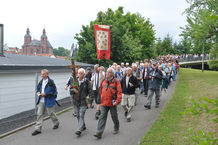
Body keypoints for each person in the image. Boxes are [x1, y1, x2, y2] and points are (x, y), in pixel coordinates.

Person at [93, 67, 122, 139]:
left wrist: (117, 101)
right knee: (102, 117)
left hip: (112, 103)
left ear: (112, 73)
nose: (107, 73)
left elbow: (119, 92)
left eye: (109, 72)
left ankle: (116, 128)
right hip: (104, 103)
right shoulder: (103, 80)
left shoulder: (116, 81)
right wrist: (100, 100)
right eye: (107, 72)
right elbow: (100, 90)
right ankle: (99, 132)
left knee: (114, 116)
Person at [32, 69, 59, 136]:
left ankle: (56, 123)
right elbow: (38, 88)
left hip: (49, 100)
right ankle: (38, 129)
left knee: (51, 113)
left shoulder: (51, 82)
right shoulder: (41, 82)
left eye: (43, 74)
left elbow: (54, 92)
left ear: (47, 74)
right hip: (41, 101)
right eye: (41, 74)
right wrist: (38, 92)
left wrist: (46, 94)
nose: (42, 75)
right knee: (39, 114)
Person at [72, 68, 94, 136]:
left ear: (84, 74)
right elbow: (71, 89)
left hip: (83, 101)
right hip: (76, 101)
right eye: (79, 73)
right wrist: (73, 90)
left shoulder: (87, 82)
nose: (80, 75)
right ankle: (83, 126)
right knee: (78, 115)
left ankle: (79, 129)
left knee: (81, 115)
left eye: (81, 73)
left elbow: (91, 93)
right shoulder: (75, 81)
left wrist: (90, 102)